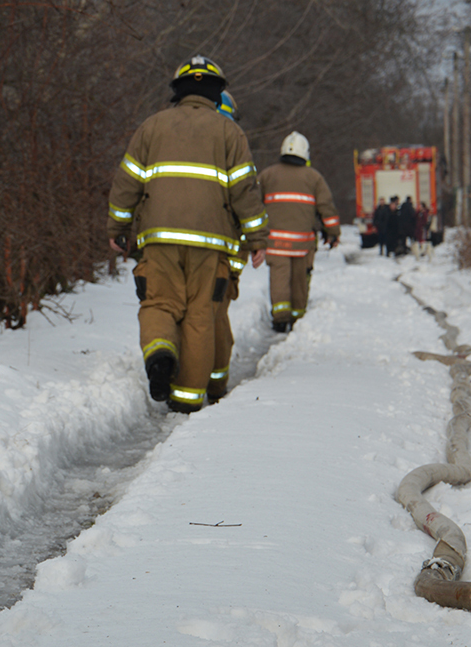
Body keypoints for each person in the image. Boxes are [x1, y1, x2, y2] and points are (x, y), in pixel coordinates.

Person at [108, 57, 268, 413]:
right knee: (200, 316)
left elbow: (126, 183)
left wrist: (118, 228)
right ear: (217, 92)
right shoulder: (230, 132)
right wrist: (257, 240)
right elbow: (245, 191)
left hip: (158, 240)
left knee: (158, 304)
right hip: (211, 247)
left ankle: (160, 352)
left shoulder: (151, 127)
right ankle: (186, 400)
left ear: (177, 91)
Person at [257, 131, 340, 332]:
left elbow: (252, 204)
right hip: (303, 245)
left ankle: (279, 319)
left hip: (275, 243)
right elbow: (326, 208)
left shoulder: (267, 175)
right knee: (300, 282)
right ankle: (297, 319)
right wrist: (333, 233)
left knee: (279, 281)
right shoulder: (314, 178)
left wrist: (254, 236)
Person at [208, 90, 249, 403]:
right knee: (215, 322)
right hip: (217, 258)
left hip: (168, 253)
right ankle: (213, 386)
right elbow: (246, 210)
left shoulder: (174, 139)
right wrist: (234, 270)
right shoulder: (235, 146)